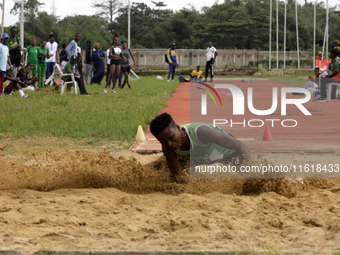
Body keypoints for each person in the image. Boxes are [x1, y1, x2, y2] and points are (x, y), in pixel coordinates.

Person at [149, 113, 252, 184]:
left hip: (227, 153)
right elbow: (177, 176)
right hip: (197, 157)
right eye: (164, 142)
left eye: (171, 138)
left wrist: (250, 166)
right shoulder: (167, 147)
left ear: (177, 127)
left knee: (252, 177)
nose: (170, 144)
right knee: (160, 168)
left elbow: (242, 146)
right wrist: (193, 188)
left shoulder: (201, 133)